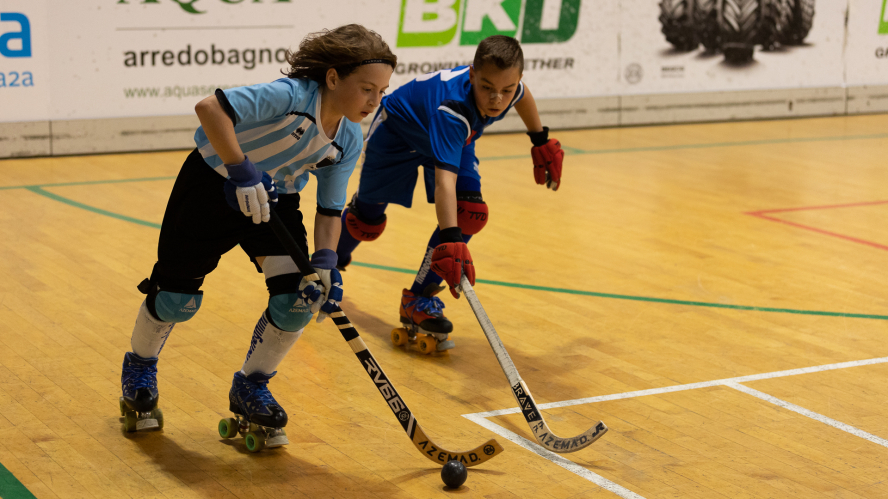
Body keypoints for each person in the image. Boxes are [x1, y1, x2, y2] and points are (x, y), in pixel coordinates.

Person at [119, 25, 396, 442]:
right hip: (211, 185)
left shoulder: (349, 139)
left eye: (382, 91)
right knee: (175, 299)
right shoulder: (292, 96)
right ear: (334, 77)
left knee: (299, 298)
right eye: (366, 89)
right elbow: (210, 108)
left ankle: (252, 385)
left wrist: (325, 262)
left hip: (275, 202)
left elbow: (330, 208)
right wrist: (241, 169)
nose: (374, 101)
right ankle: (139, 366)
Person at [335, 35, 564, 352]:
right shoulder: (453, 110)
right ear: (472, 75)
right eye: (486, 88)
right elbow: (445, 184)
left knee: (470, 213)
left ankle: (418, 299)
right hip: (399, 131)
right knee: (366, 222)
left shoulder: (507, 87)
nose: (497, 98)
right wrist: (451, 238)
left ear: (517, 80)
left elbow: (522, 97)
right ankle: (328, 263)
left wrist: (539, 139)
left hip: (452, 136)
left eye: (506, 90)